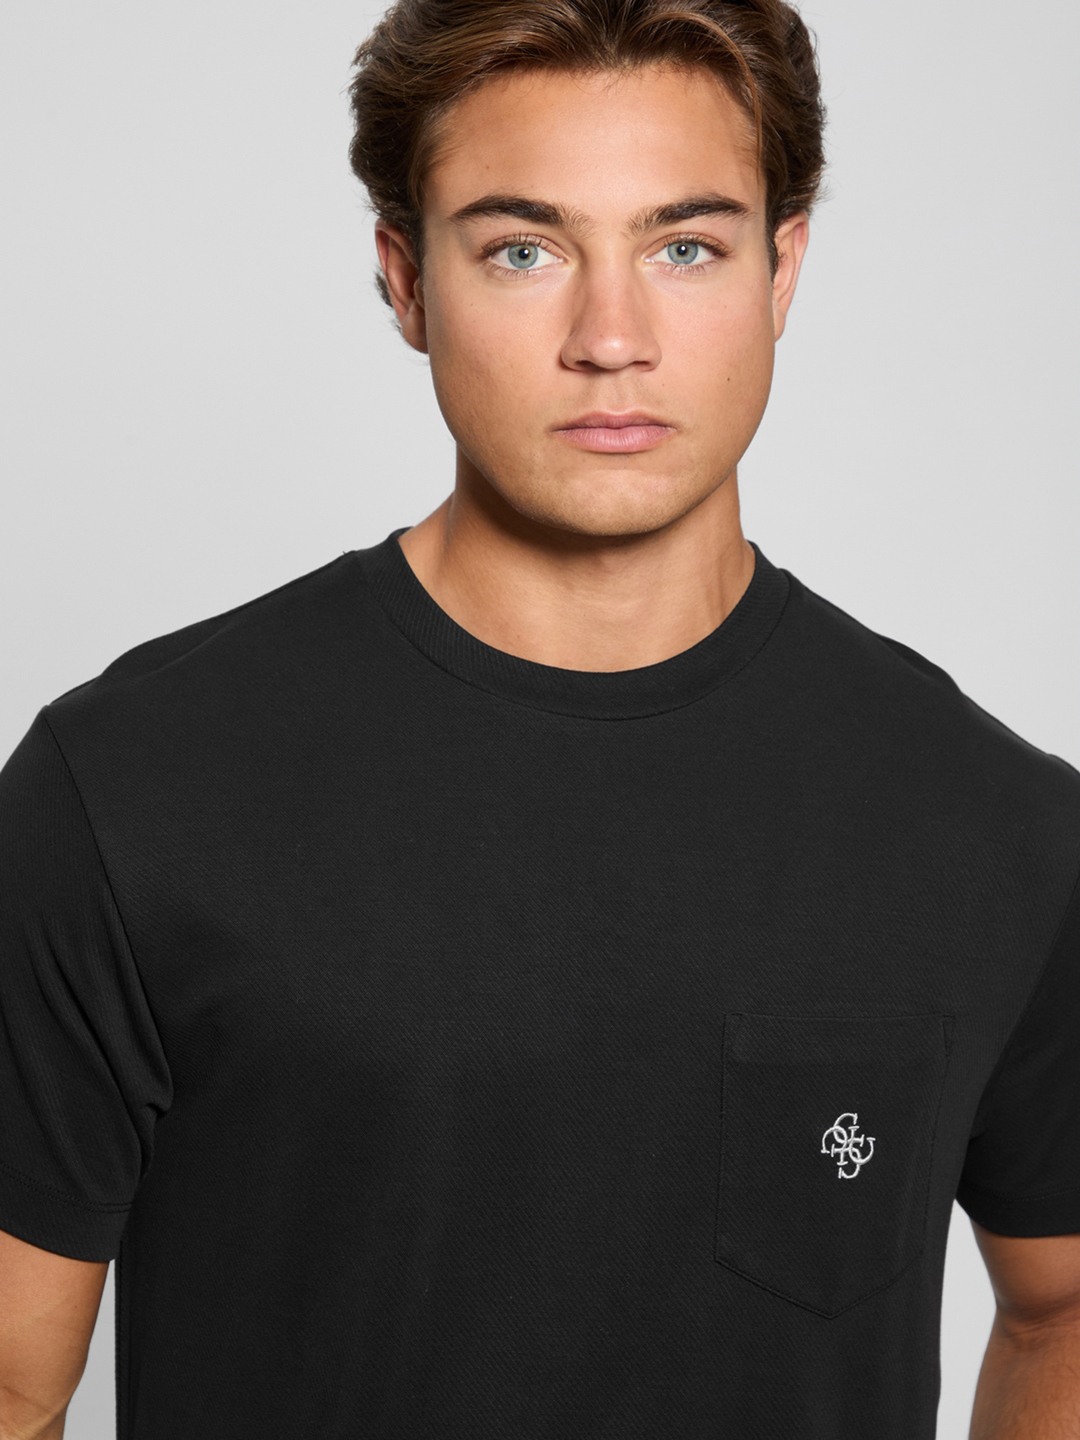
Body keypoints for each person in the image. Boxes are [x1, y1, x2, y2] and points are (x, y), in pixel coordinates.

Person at [1, 1, 1078, 1436]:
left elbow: (1062, 1306)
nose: (612, 338)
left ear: (782, 270)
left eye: (685, 248)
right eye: (524, 249)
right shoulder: (129, 791)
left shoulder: (996, 827)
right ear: (406, 281)